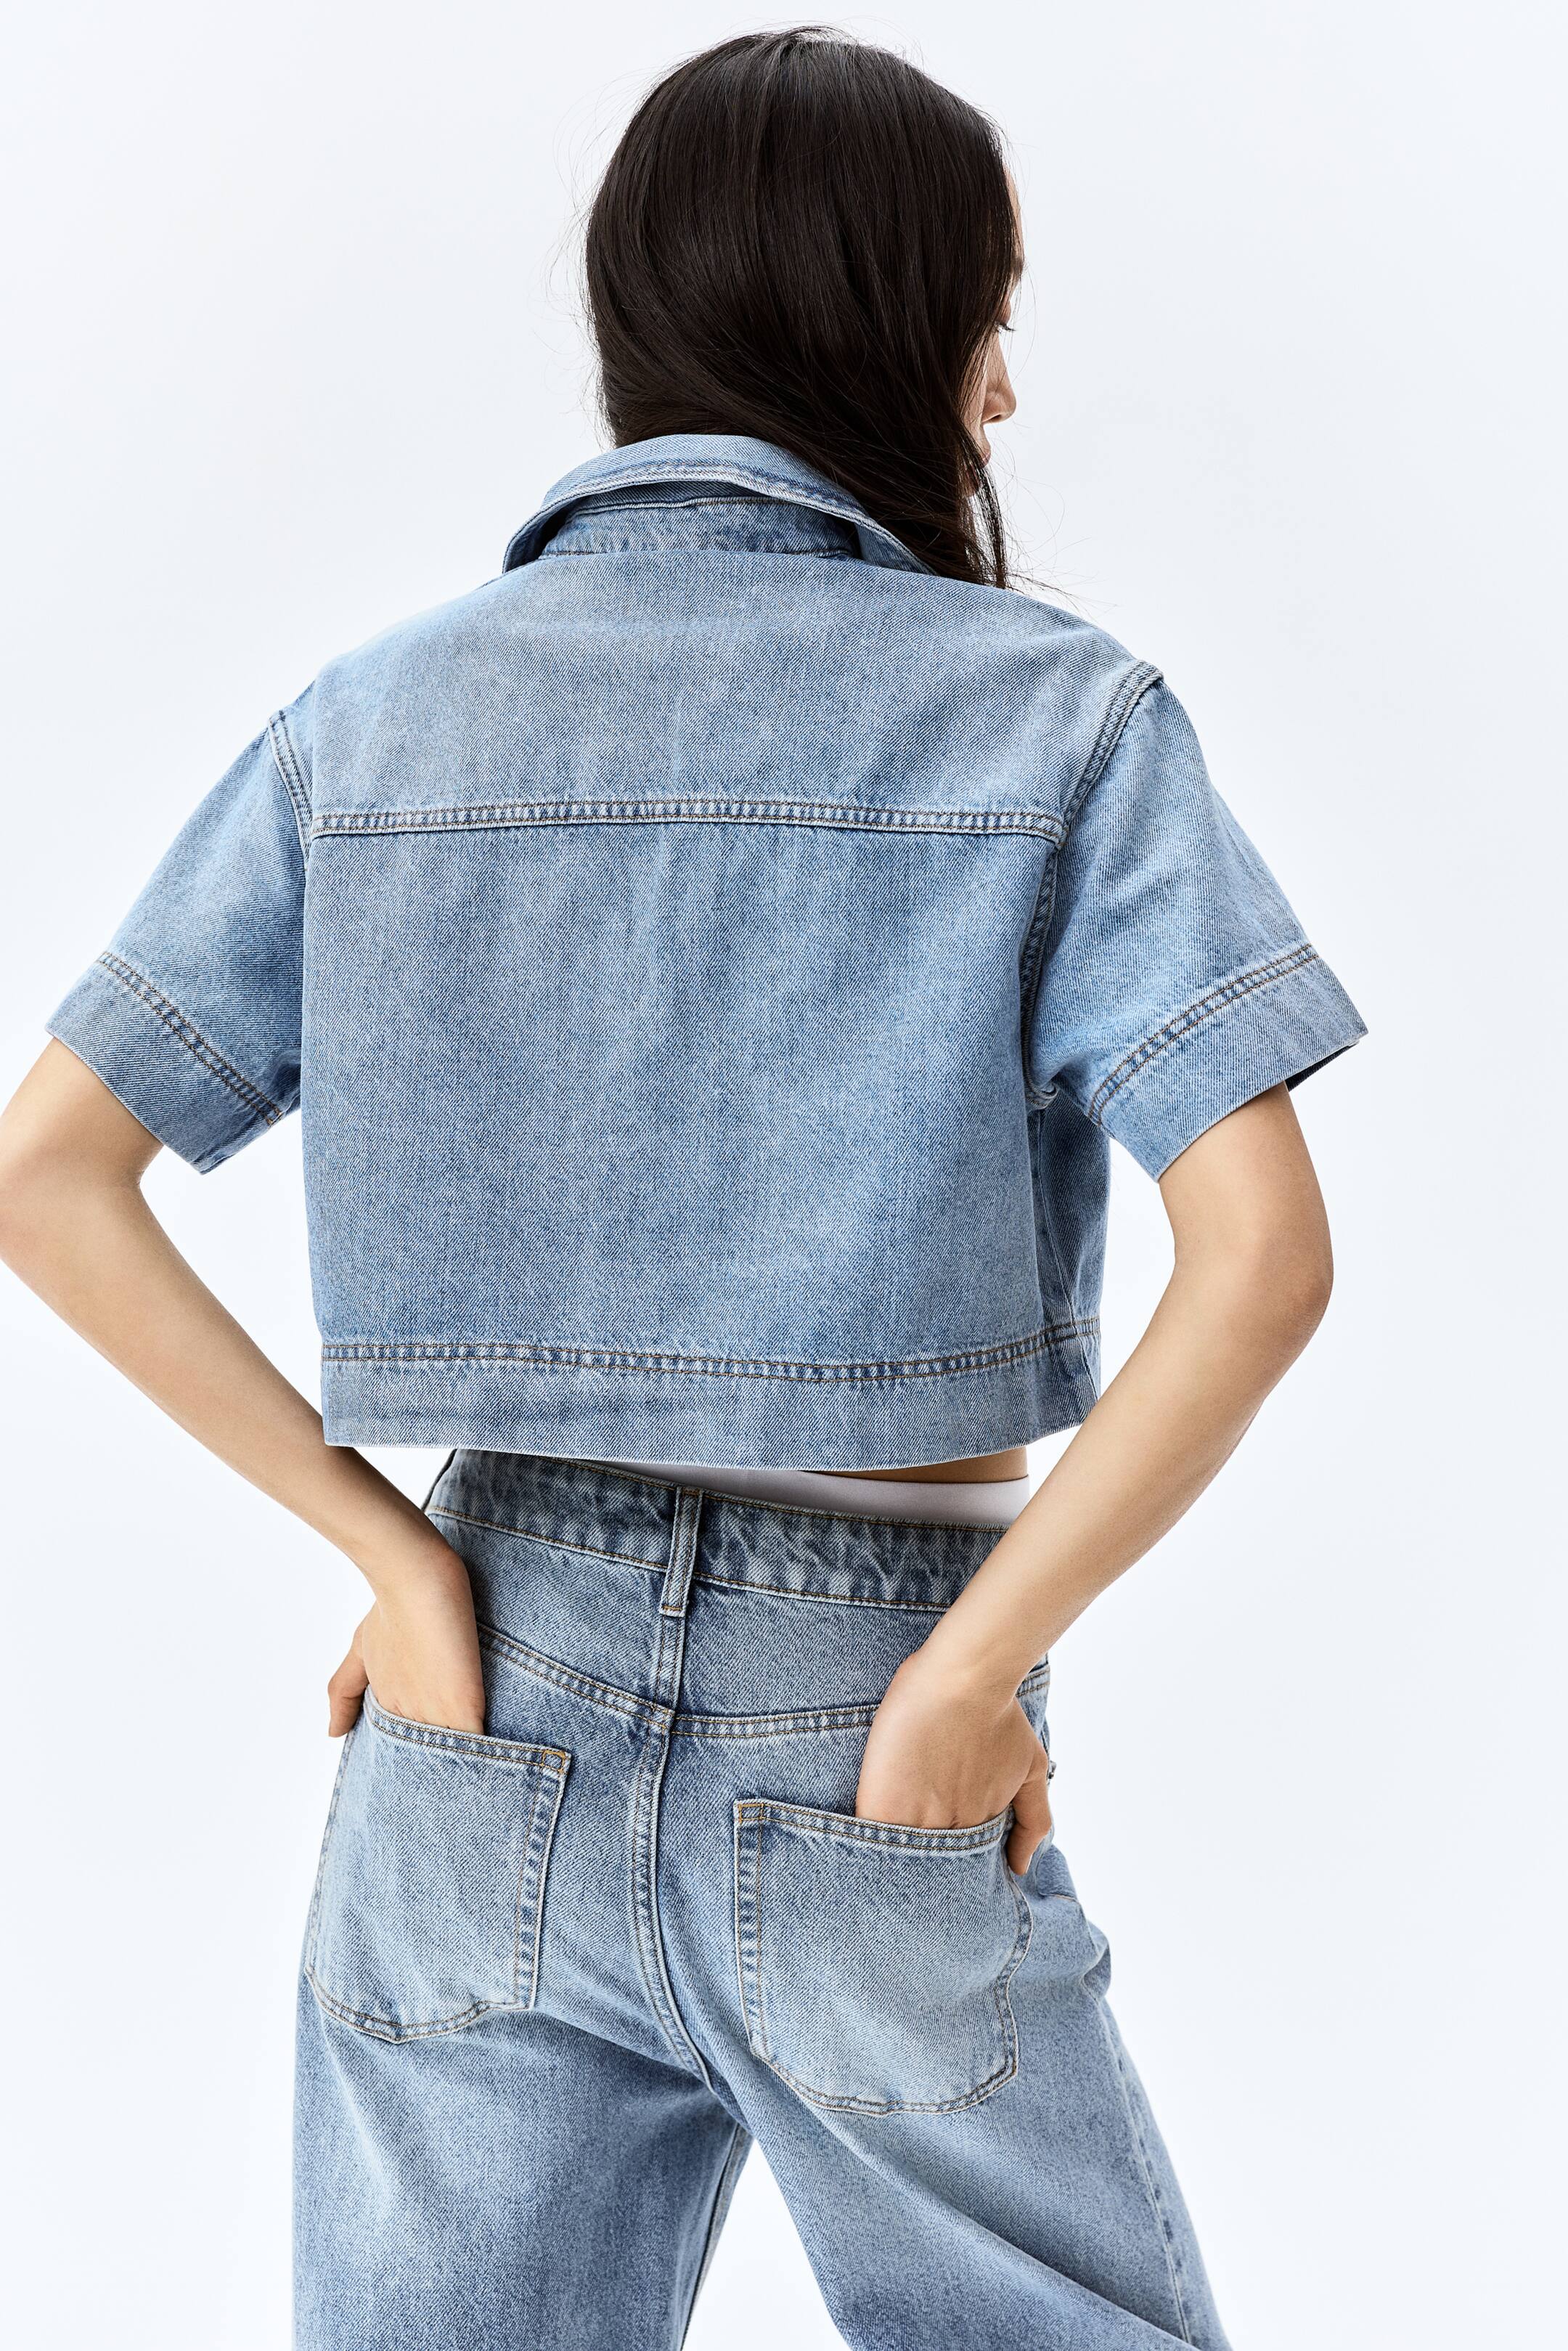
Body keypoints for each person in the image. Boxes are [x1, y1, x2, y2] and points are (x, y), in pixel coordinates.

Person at [0, 28, 1365, 2351]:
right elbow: (1264, 1264)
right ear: (886, 322)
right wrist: (967, 1674)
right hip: (872, 1721)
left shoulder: (374, 719)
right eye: (990, 315)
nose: (1004, 389)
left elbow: (51, 1174)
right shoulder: (1055, 719)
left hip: (473, 1699)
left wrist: (397, 1561)